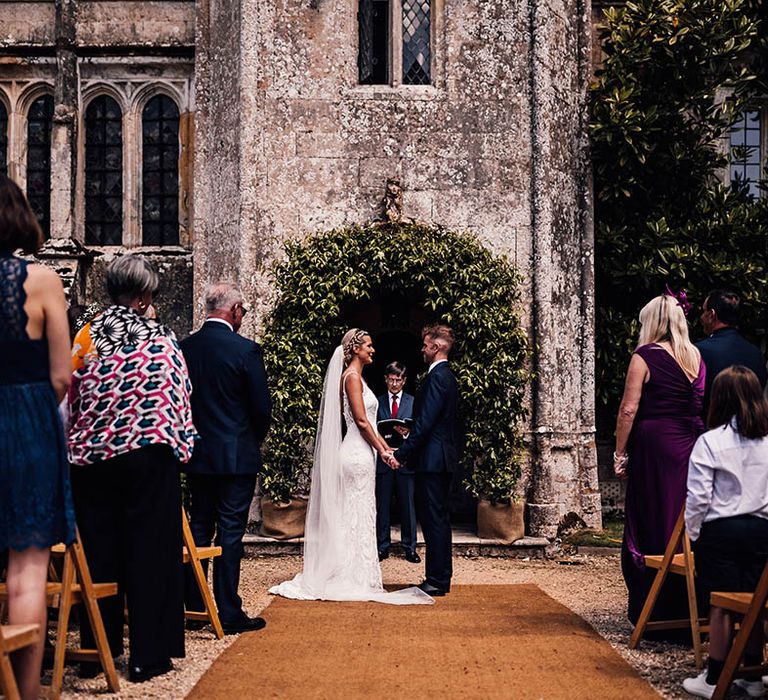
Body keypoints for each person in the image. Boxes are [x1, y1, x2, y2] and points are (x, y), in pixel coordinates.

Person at [67, 254, 197, 683]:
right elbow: (178, 392)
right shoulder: (159, 336)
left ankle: (96, 650)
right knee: (150, 551)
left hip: (92, 457)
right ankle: (148, 654)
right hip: (146, 454)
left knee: (100, 552)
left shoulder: (86, 335)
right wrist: (182, 443)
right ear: (143, 296)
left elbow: (71, 393)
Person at [269, 329, 432, 605]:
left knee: (359, 512)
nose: (373, 350)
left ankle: (359, 573)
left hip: (363, 453)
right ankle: (347, 575)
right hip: (356, 455)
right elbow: (361, 421)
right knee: (354, 512)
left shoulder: (357, 377)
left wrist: (387, 449)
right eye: (369, 345)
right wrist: (383, 450)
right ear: (356, 349)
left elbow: (368, 422)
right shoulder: (352, 378)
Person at [0, 175, 76, 700]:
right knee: (27, 568)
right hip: (24, 421)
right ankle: (23, 693)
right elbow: (61, 375)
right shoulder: (42, 279)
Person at [181, 283, 272, 634]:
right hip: (236, 457)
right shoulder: (246, 351)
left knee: (200, 527)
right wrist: (251, 440)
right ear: (234, 310)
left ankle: (194, 603)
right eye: (243, 312)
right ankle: (229, 612)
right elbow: (261, 408)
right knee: (231, 533)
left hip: (198, 454)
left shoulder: (186, 348)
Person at [614, 292, 705, 630]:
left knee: (652, 517)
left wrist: (619, 454)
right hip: (691, 446)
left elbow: (628, 408)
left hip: (655, 448)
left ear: (651, 323)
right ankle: (685, 606)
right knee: (683, 518)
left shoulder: (644, 356)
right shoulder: (696, 356)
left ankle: (653, 607)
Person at [682, 366, 768, 699]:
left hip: (722, 530)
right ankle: (750, 671)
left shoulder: (710, 443)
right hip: (762, 530)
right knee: (755, 601)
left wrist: (693, 533)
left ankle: (715, 676)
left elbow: (699, 496)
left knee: (719, 603)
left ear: (719, 399)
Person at [392, 324, 460, 597]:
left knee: (434, 520)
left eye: (425, 344)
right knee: (438, 519)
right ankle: (440, 577)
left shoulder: (437, 377)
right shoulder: (447, 377)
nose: (422, 349)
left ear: (437, 347)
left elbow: (428, 424)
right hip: (439, 458)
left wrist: (401, 454)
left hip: (432, 461)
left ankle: (437, 580)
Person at [696, 289, 767, 416]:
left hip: (711, 426)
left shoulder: (699, 351)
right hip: (749, 428)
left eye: (704, 311)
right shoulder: (756, 354)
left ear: (712, 314)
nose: (701, 317)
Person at [375, 361, 420, 563]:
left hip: (405, 460)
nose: (394, 384)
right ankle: (381, 546)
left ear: (404, 381)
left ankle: (409, 547)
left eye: (398, 380)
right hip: (384, 459)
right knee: (382, 505)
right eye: (391, 380)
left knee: (408, 506)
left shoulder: (413, 402)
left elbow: (419, 430)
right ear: (385, 379)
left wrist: (407, 433)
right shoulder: (377, 401)